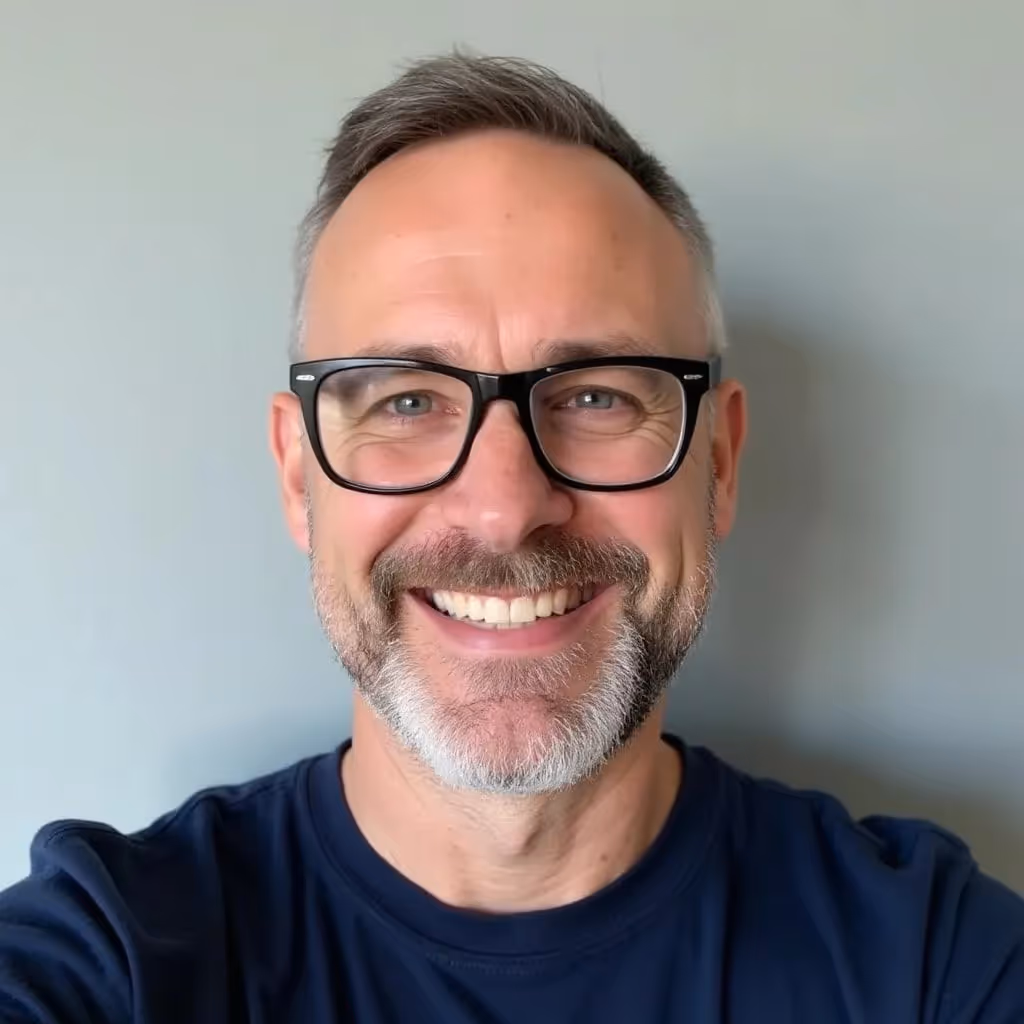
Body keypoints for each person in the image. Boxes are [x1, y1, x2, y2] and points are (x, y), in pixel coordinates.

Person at [1, 52, 1021, 1024]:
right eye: (405, 400)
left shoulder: (932, 960)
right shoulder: (114, 957)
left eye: (594, 394)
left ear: (717, 462)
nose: (503, 506)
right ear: (298, 471)